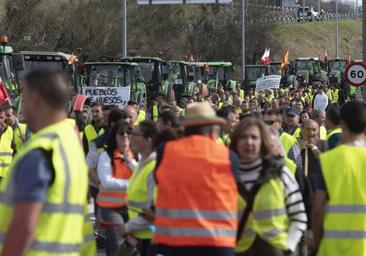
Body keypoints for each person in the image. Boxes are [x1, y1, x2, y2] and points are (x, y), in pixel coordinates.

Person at [0, 69, 94, 255]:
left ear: (36, 100)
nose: (23, 109)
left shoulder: (40, 152)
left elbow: (23, 228)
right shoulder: (70, 143)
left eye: (24, 101)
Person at [153, 102, 239, 256]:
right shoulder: (228, 156)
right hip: (218, 243)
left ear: (185, 129)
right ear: (214, 130)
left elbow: (158, 182)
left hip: (174, 243)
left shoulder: (165, 151)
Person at [231, 118, 307, 256]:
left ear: (262, 142)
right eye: (243, 137)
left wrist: (288, 247)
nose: (249, 142)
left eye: (254, 137)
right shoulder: (225, 176)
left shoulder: (280, 172)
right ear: (235, 141)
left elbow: (299, 216)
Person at [312, 101, 366, 256]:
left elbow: (317, 210)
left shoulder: (327, 159)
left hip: (333, 247)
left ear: (342, 125)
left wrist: (316, 243)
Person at [120, 121, 159, 256]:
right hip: (140, 237)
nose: (131, 138)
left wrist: (127, 227)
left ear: (149, 140)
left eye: (136, 135)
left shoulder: (153, 168)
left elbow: (154, 210)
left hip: (151, 239)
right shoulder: (142, 165)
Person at [97, 121, 136, 256]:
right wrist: (131, 184)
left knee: (134, 245)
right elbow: (107, 182)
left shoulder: (136, 155)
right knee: (117, 244)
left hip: (133, 207)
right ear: (115, 137)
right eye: (121, 134)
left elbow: (143, 175)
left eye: (129, 134)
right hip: (111, 207)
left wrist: (130, 162)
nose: (125, 138)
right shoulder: (106, 156)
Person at [299, 119, 327, 189]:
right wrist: (299, 151)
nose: (311, 133)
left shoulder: (324, 144)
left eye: (314, 130)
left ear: (318, 131)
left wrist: (316, 151)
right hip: (302, 187)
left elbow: (329, 164)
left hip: (318, 187)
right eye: (308, 129)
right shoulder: (296, 145)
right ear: (302, 130)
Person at [0, 107, 14, 182]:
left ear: (5, 117)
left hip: (5, 173)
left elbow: (14, 149)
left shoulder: (9, 130)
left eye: (1, 117)